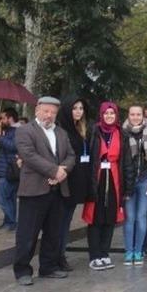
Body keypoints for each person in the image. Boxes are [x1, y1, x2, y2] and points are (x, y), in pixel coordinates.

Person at [12, 97, 75, 286]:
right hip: (34, 190)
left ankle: (48, 267)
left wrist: (63, 171)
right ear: (37, 110)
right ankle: (22, 270)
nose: (49, 115)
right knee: (27, 233)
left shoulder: (61, 133)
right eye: (46, 111)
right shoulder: (25, 131)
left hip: (57, 189)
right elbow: (29, 156)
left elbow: (71, 155)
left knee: (53, 232)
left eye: (53, 112)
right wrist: (54, 170)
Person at [82, 101, 131, 271]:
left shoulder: (122, 134)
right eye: (106, 113)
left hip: (115, 178)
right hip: (97, 178)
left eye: (112, 113)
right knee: (95, 217)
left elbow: (126, 161)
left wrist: (128, 187)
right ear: (101, 115)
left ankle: (104, 253)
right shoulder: (93, 131)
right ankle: (94, 255)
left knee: (110, 217)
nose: (109, 116)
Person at [56, 98, 93, 271]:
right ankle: (57, 256)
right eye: (75, 108)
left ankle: (60, 254)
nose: (78, 111)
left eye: (81, 108)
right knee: (60, 222)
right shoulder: (61, 131)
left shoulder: (81, 129)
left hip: (77, 183)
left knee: (66, 221)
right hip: (64, 183)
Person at [121, 105, 147, 266]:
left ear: (143, 115)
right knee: (129, 218)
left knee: (141, 217)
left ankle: (138, 251)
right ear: (128, 116)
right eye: (132, 114)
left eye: (138, 114)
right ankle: (129, 252)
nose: (136, 117)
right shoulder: (123, 132)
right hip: (128, 181)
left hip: (144, 180)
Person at [0, 107, 19, 231]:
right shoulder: (8, 131)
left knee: (2, 199)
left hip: (9, 171)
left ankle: (11, 222)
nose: (1, 120)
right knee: (10, 198)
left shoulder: (18, 131)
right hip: (6, 169)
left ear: (10, 118)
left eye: (3, 118)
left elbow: (13, 147)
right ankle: (8, 222)